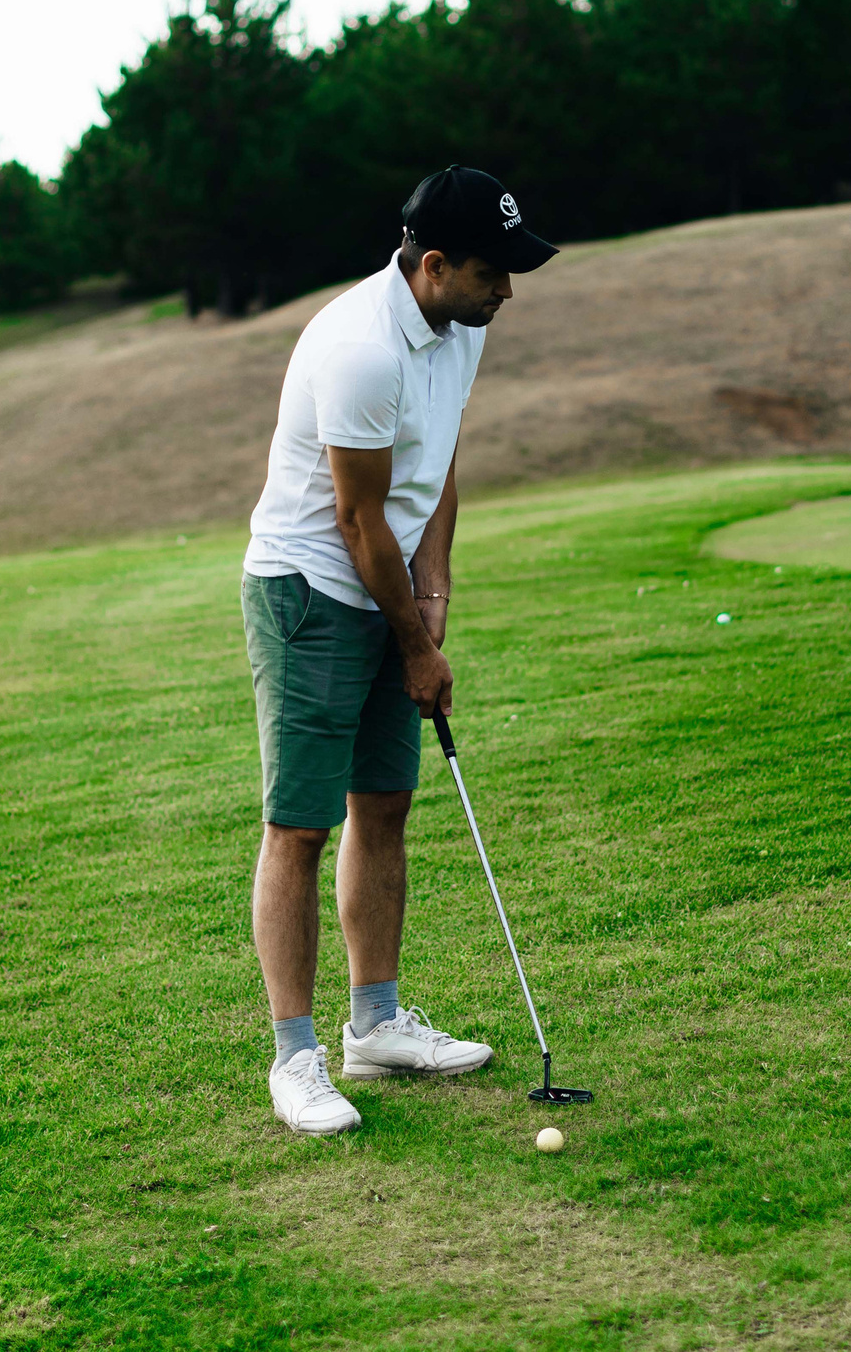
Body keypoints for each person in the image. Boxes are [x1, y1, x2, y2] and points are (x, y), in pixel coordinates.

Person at [240, 165, 559, 1136]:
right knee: (300, 824)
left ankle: (374, 1026)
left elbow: (441, 461)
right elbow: (355, 516)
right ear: (432, 266)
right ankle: (295, 1058)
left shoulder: (459, 329)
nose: (508, 286)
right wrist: (417, 646)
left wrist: (437, 591)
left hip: (385, 585)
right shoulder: (361, 349)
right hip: (310, 589)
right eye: (491, 271)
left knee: (384, 802)